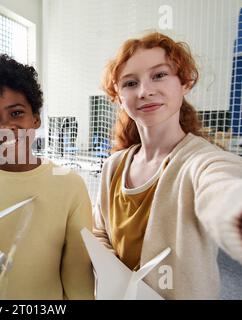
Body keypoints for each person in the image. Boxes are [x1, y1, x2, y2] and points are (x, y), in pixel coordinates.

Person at [95, 31, 242, 299]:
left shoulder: (200, 162)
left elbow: (221, 187)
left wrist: (233, 208)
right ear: (117, 96)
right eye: (130, 83)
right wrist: (113, 276)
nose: (145, 91)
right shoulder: (114, 166)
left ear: (184, 82)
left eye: (159, 75)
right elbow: (100, 230)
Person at [0, 48, 94, 299]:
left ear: (35, 118)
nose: (5, 127)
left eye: (16, 113)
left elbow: (78, 272)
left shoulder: (70, 184)